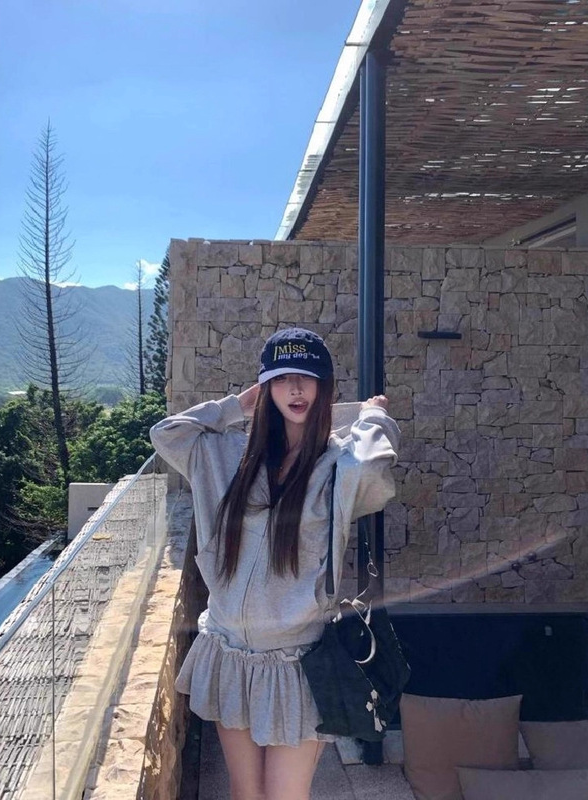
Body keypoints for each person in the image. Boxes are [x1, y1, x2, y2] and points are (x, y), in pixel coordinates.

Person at [150, 327, 400, 800]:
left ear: (324, 387)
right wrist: (236, 406)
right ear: (266, 387)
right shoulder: (229, 454)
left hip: (297, 663)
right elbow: (166, 434)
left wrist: (373, 416)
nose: (296, 389)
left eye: (307, 377)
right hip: (230, 651)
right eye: (282, 378)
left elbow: (371, 468)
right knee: (246, 793)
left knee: (285, 795)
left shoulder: (336, 465)